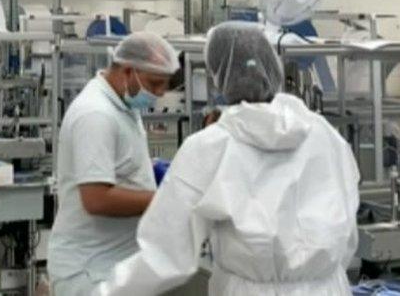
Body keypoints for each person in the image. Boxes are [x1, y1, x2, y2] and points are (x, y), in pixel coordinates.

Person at [99, 21, 360, 296]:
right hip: (328, 287)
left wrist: (106, 292)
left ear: (218, 77)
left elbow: (164, 255)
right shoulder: (325, 135)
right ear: (272, 65)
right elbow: (348, 231)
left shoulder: (211, 147)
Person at [47, 32, 179, 296]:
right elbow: (96, 199)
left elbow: (119, 162)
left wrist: (148, 171)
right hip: (90, 272)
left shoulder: (124, 105)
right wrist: (165, 199)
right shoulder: (96, 114)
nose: (160, 93)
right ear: (129, 72)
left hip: (112, 264)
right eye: (154, 85)